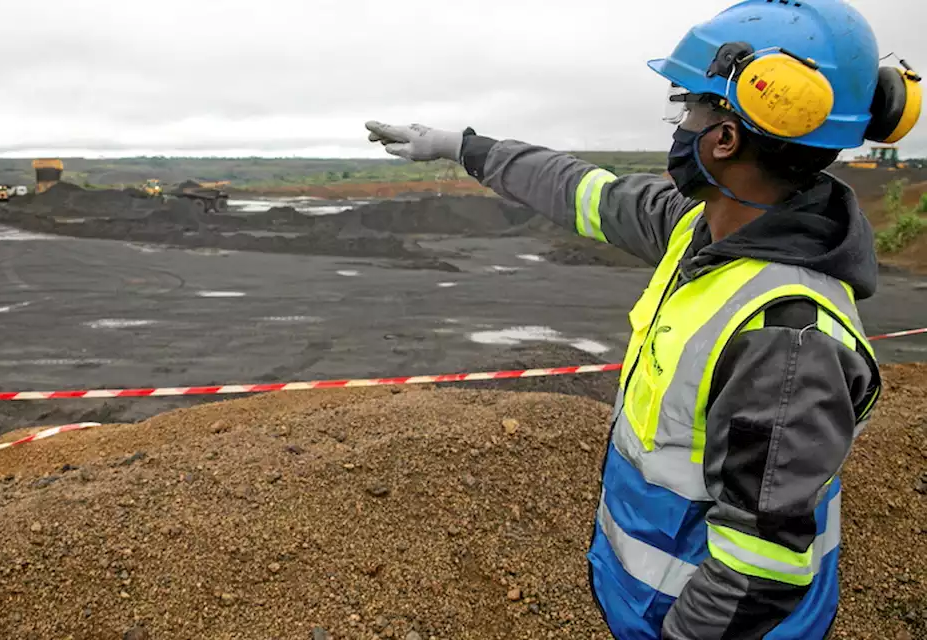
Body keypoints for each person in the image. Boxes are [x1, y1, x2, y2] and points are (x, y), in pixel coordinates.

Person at [365, 0, 921, 638]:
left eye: (689, 106)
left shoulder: (786, 337)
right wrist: (464, 148)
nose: (680, 124)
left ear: (727, 136)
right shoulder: (705, 227)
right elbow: (583, 189)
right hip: (648, 593)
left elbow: (761, 567)